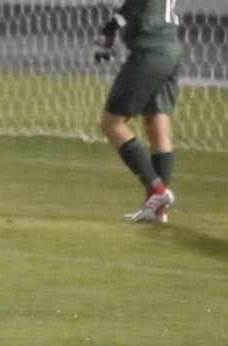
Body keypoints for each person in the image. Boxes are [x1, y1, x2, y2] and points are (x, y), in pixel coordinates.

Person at [94, 0, 181, 224]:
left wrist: (109, 30)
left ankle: (158, 189)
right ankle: (157, 210)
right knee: (156, 123)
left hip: (149, 52)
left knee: (112, 124)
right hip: (170, 49)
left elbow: (133, 4)